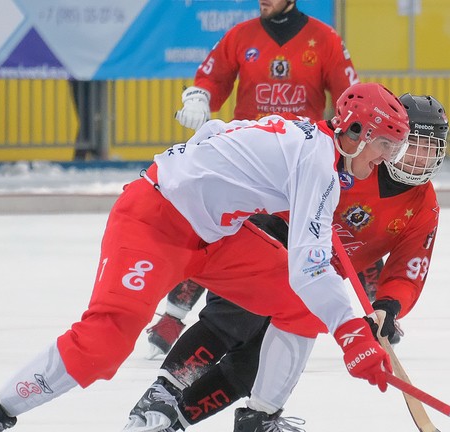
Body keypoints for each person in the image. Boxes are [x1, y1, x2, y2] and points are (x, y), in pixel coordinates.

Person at [0, 82, 408, 432]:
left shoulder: (308, 142)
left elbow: (216, 133)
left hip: (215, 234)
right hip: (154, 222)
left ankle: (259, 423)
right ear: (353, 131)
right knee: (105, 340)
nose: (386, 159)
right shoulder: (318, 163)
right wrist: (352, 334)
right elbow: (310, 266)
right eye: (384, 145)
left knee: (299, 304)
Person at [113, 94, 449, 432]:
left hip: (318, 277)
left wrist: (388, 306)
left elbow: (408, 269)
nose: (419, 159)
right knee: (232, 319)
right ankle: (161, 395)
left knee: (251, 368)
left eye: (429, 149)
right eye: (412, 146)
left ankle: (177, 421)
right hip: (274, 237)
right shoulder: (349, 162)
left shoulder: (423, 206)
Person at [147, 0, 360, 358]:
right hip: (245, 165)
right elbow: (211, 79)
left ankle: (375, 307)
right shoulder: (240, 35)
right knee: (215, 233)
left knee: (330, 233)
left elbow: (348, 98)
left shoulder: (324, 39)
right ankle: (172, 316)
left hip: (298, 167)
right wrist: (200, 97)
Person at [69, 80, 103, 161]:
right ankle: (90, 152)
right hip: (81, 79)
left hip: (93, 78)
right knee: (87, 117)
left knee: (91, 117)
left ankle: (89, 152)